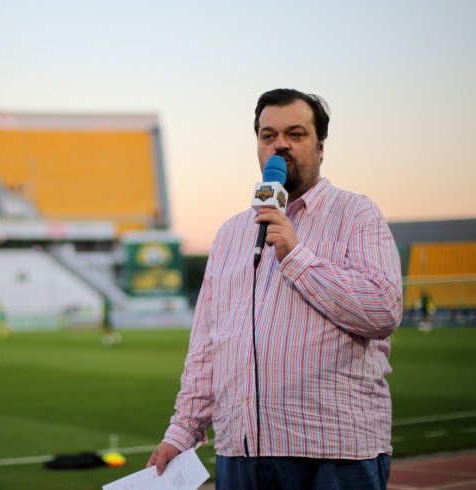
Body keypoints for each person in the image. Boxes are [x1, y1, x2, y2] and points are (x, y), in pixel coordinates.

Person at [147, 89, 403, 489]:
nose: (280, 144)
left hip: (334, 450)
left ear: (320, 147)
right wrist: (181, 433)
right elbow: (207, 347)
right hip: (242, 451)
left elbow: (383, 311)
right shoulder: (231, 234)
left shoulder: (357, 214)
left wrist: (295, 256)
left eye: (295, 134)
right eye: (268, 136)